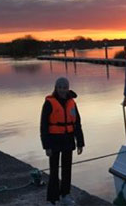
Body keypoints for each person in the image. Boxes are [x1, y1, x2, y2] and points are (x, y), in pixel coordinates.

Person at [40, 77, 85, 205]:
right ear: (56, 88)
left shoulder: (72, 103)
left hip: (68, 140)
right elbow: (43, 126)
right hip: (54, 141)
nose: (62, 90)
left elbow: (77, 123)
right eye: (60, 87)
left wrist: (80, 142)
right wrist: (46, 146)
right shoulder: (49, 103)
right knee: (54, 171)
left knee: (67, 169)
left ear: (68, 88)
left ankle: (65, 195)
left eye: (64, 87)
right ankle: (52, 199)